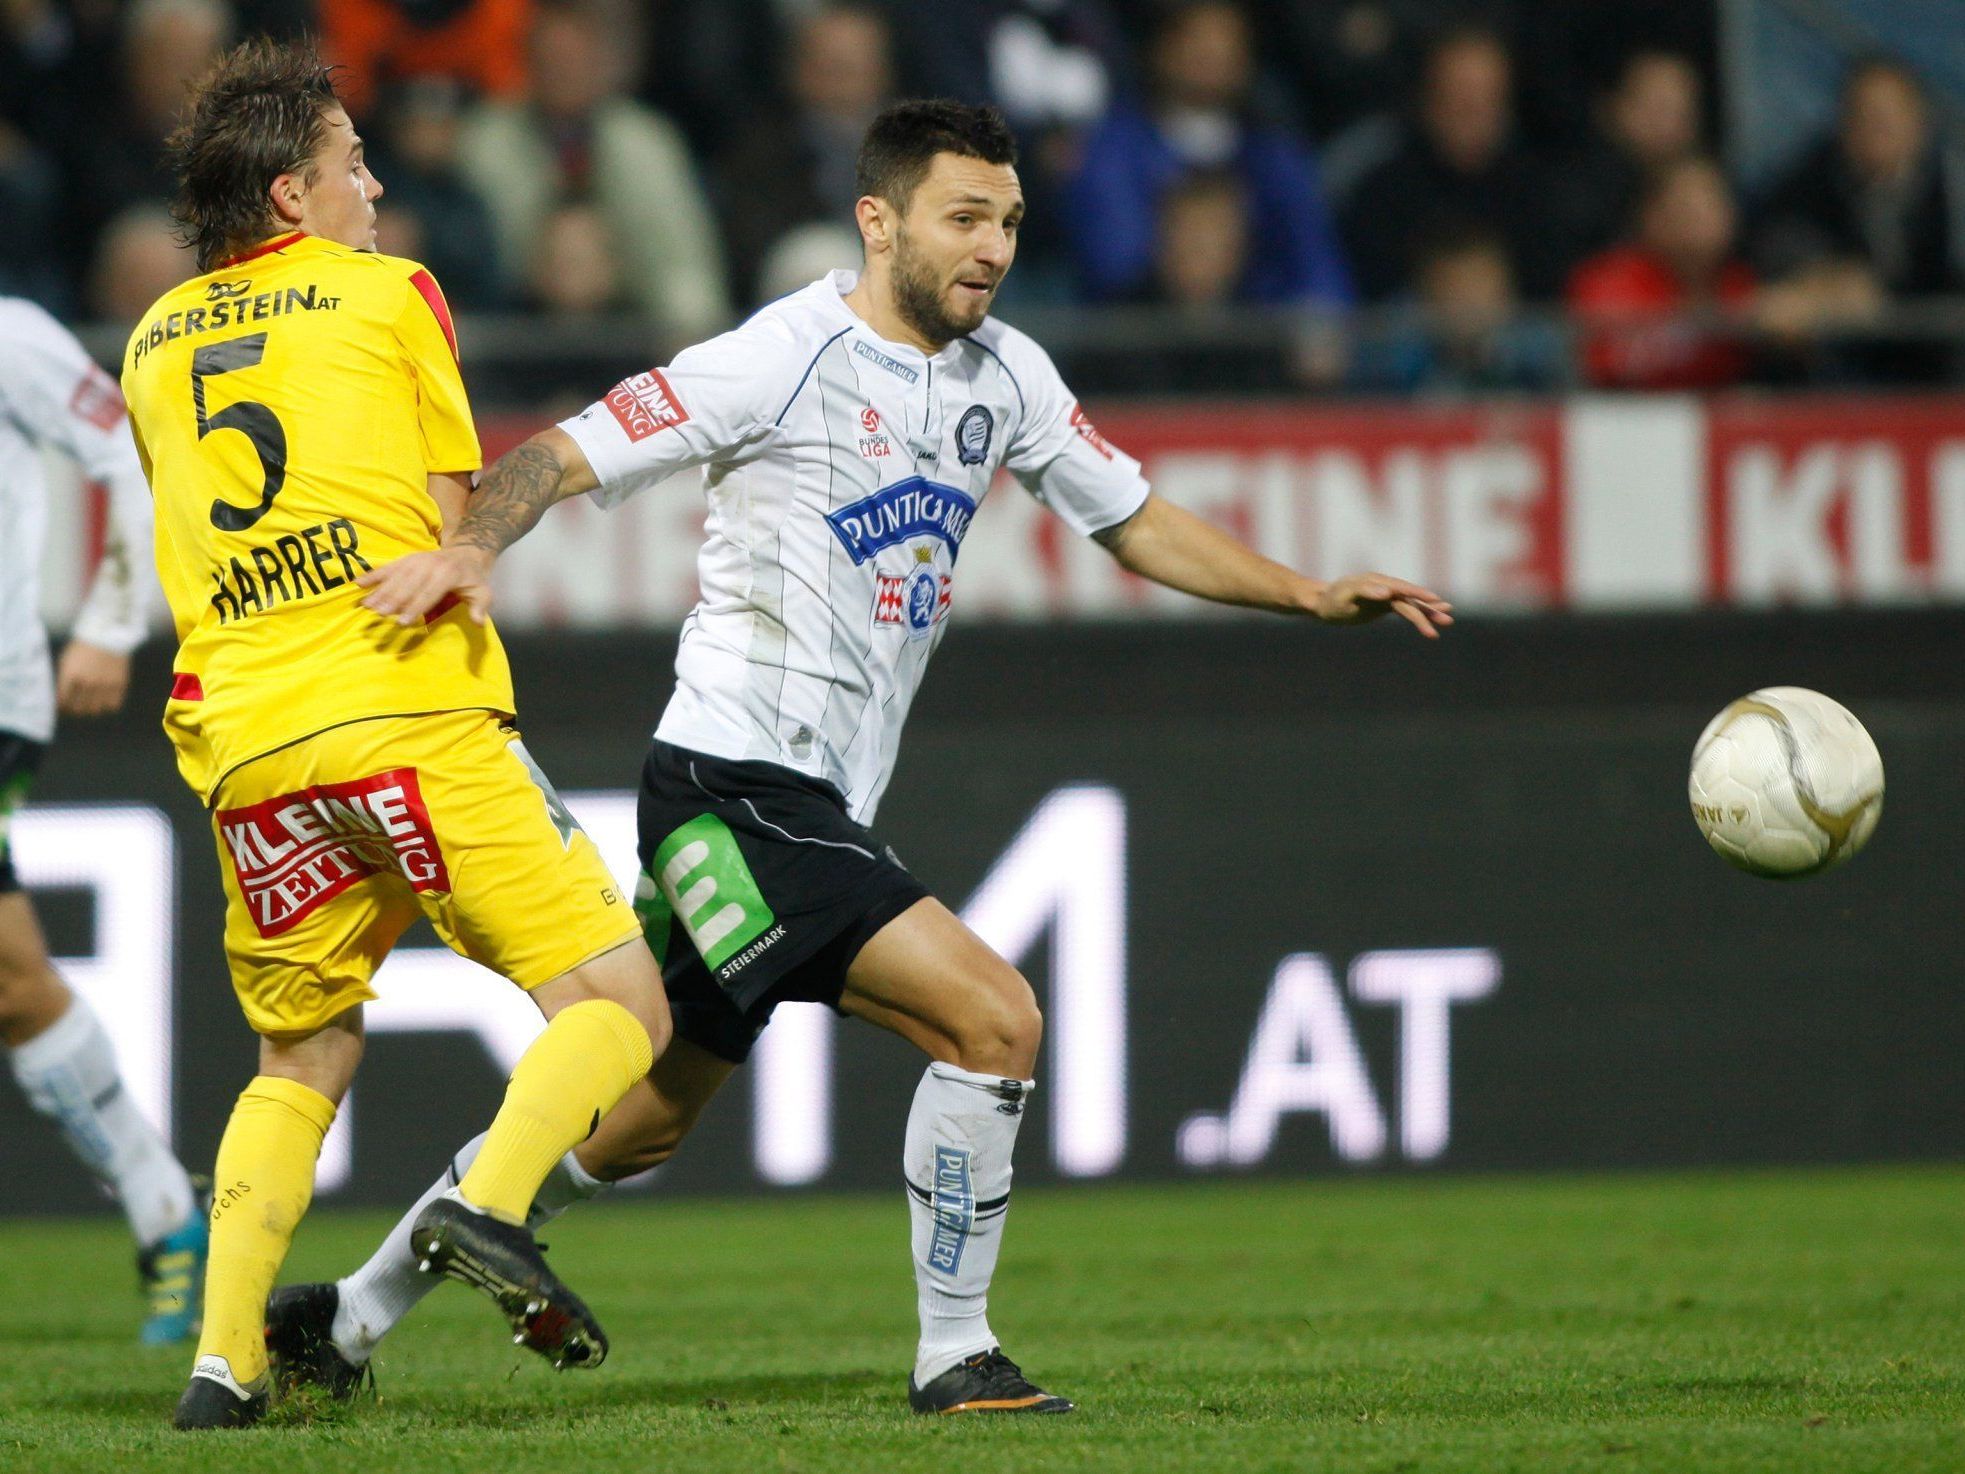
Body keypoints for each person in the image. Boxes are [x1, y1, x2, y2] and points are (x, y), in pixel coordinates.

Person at [271, 97, 1451, 1419]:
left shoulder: (1006, 377)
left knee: (635, 1122)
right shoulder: (778, 356)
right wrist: (472, 548)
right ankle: (957, 1352)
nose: (992, 246)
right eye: (963, 216)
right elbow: (561, 451)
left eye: (1007, 220)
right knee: (993, 1016)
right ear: (877, 219)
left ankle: (343, 1318)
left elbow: (1132, 519)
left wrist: (1302, 593)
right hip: (731, 788)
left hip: (803, 801)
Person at [119, 38, 670, 1429]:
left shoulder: (148, 339)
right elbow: (448, 511)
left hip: (248, 746)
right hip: (402, 708)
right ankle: (485, 1206)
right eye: (352, 162)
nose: (374, 182)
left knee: (298, 1060)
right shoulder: (387, 291)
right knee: (620, 1009)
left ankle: (222, 1363)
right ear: (295, 197)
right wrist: (462, 554)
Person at [0, 294, 207, 1346]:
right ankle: (166, 1208)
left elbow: (129, 449)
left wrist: (113, 620)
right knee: (14, 984)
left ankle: (165, 1207)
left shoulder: (8, 335)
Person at [1066, 0, 1352, 307]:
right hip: (1141, 334)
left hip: (1257, 334)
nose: (1214, 52)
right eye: (1198, 37)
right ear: (1162, 48)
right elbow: (1113, 261)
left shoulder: (1273, 157)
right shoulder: (1116, 149)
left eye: (1227, 39)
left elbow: (1316, 265)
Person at [1568, 155, 1756, 391]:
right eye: (1687, 208)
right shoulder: (1609, 282)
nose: (1703, 221)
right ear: (1651, 216)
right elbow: (1605, 365)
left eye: (1712, 205)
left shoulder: (1742, 281)